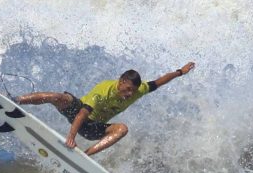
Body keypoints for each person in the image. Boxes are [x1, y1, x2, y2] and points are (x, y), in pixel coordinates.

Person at [15, 62, 195, 156]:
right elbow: (82, 113)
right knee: (59, 97)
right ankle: (17, 100)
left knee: (122, 129)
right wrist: (70, 137)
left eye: (133, 91)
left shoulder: (137, 90)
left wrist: (180, 72)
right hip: (79, 115)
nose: (129, 94)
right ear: (121, 81)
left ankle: (85, 156)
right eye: (127, 89)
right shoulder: (104, 89)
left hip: (94, 128)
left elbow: (159, 81)